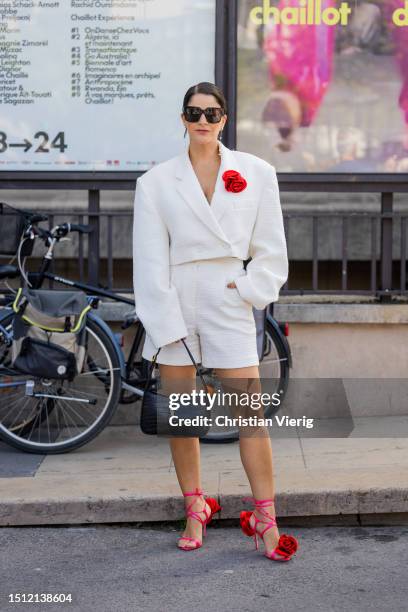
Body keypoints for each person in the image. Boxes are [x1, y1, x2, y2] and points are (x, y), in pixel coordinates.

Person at [132, 81, 298, 561]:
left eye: (211, 113)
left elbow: (271, 248)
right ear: (182, 118)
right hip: (177, 295)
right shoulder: (155, 182)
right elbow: (148, 261)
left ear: (224, 118)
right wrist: (166, 322)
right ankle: (194, 507)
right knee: (181, 417)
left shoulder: (257, 172)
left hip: (229, 296)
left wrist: (249, 290)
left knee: (250, 416)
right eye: (193, 112)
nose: (203, 121)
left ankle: (266, 518)